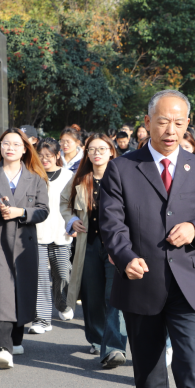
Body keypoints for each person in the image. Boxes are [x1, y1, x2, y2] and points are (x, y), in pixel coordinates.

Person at [100, 89, 195, 388]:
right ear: (148, 122)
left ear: (187, 125)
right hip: (141, 282)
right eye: (163, 121)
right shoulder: (123, 167)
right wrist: (124, 256)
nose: (171, 129)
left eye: (178, 122)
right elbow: (111, 223)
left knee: (193, 370)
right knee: (149, 370)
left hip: (189, 286)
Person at [0, 128, 49, 369]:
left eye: (16, 144)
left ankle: (16, 339)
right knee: (0, 291)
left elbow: (43, 211)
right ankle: (3, 348)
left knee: (21, 290)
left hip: (24, 242)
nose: (10, 148)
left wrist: (21, 212)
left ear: (25, 149)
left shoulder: (36, 178)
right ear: (0, 147)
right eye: (6, 143)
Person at [65, 133, 129, 368]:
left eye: (102, 149)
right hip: (89, 245)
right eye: (92, 149)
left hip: (116, 246)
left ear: (111, 151)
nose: (97, 153)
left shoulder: (124, 176)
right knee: (92, 296)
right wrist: (71, 220)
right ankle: (98, 338)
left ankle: (113, 348)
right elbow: (64, 203)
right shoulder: (80, 178)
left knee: (114, 296)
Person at [30, 138, 74, 334]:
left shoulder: (69, 176)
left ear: (57, 155)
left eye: (48, 155)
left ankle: (62, 303)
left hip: (62, 233)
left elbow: (76, 203)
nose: (44, 159)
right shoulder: (32, 175)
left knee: (63, 274)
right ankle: (42, 320)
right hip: (37, 233)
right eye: (40, 155)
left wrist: (74, 223)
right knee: (40, 278)